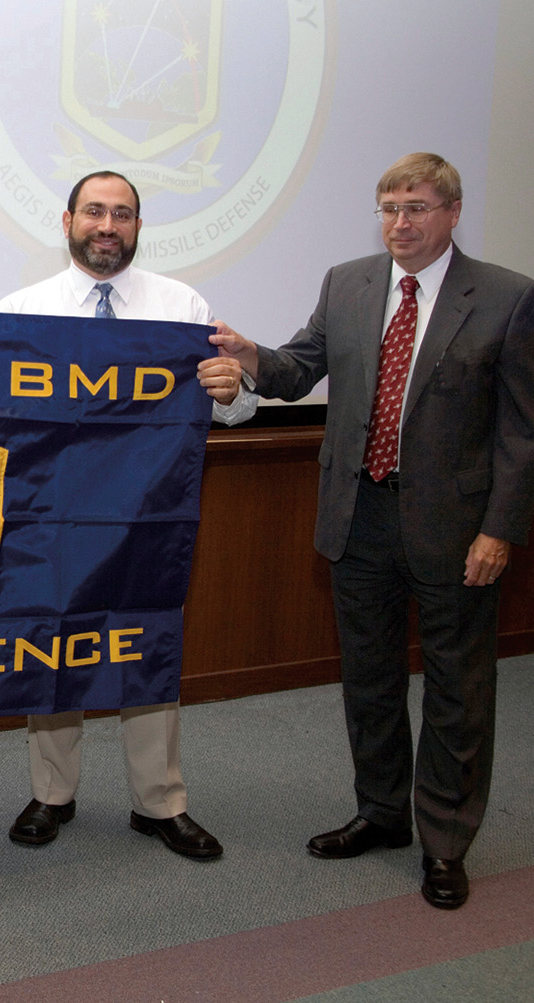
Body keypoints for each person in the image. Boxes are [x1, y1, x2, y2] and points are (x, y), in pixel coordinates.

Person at [210, 152, 534, 908]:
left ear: (452, 213)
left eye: (416, 207)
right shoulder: (348, 281)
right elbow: (298, 369)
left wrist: (500, 530)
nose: (400, 222)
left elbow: (522, 431)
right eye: (389, 207)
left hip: (458, 531)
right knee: (372, 681)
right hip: (358, 520)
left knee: (458, 689)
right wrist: (249, 354)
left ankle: (445, 840)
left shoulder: (508, 298)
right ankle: (383, 814)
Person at [0, 170, 254, 860]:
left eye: (123, 214)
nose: (107, 226)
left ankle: (159, 801)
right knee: (51, 647)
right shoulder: (21, 308)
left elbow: (234, 407)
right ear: (67, 219)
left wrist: (232, 389)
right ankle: (52, 793)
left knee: (148, 644)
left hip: (148, 515)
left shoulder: (183, 306)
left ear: (139, 226)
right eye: (95, 212)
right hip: (50, 515)